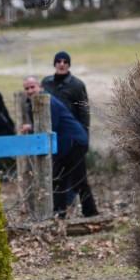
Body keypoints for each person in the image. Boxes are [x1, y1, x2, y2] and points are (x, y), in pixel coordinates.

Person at [21, 76, 98, 218]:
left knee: (78, 180)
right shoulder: (37, 103)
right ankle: (59, 214)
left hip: (74, 142)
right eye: (27, 88)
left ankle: (90, 213)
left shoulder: (47, 101)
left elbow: (50, 127)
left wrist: (31, 128)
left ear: (40, 87)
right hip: (64, 145)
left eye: (33, 87)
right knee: (58, 179)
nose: (30, 90)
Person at [41, 51, 89, 130]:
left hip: (70, 129)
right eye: (58, 61)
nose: (62, 64)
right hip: (49, 127)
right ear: (55, 64)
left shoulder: (77, 85)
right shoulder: (46, 82)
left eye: (65, 62)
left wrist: (84, 134)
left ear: (69, 65)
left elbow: (84, 111)